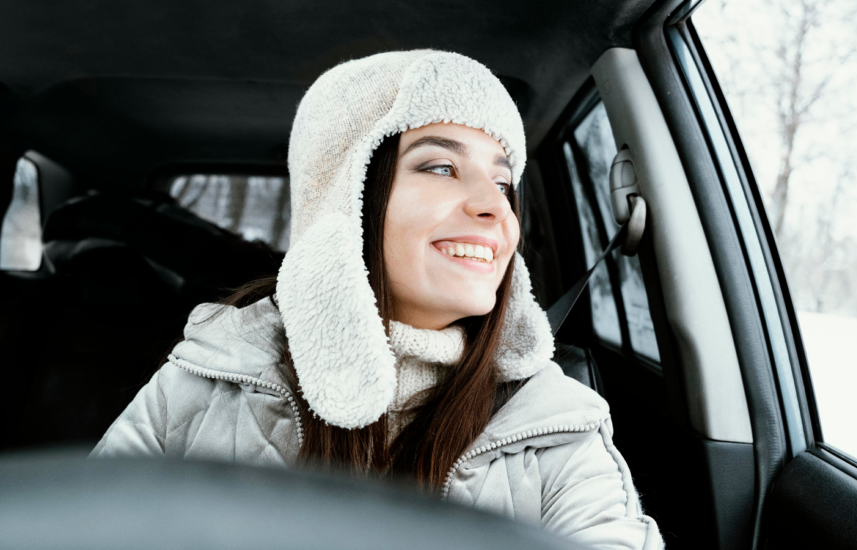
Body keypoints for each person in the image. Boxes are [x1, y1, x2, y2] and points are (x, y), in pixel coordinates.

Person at [91, 50, 664, 549]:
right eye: (441, 166)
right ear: (349, 198)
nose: (494, 207)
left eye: (503, 182)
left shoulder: (554, 425)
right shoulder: (208, 374)